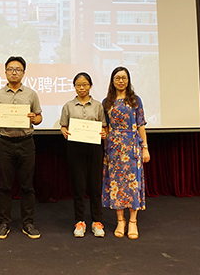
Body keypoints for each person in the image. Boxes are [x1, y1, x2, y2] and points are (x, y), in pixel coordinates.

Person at [0, 56, 42, 239]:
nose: (14, 72)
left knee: (27, 186)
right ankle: (4, 223)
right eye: (10, 69)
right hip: (5, 143)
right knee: (4, 186)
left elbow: (39, 118)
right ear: (5, 72)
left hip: (26, 142)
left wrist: (34, 118)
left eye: (18, 69)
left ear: (23, 73)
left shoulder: (31, 94)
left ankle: (28, 223)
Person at [101, 66, 150, 240]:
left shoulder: (135, 100)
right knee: (117, 184)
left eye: (124, 78)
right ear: (112, 81)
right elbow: (105, 127)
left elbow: (141, 125)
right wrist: (105, 145)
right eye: (117, 78)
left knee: (133, 184)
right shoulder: (106, 102)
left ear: (128, 80)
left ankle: (133, 221)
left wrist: (145, 148)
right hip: (114, 148)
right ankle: (120, 221)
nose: (121, 81)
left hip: (132, 147)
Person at [59, 72, 107, 238]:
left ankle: (97, 221)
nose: (82, 88)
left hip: (94, 148)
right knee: (78, 186)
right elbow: (63, 126)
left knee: (95, 186)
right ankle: (79, 221)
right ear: (74, 87)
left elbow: (104, 126)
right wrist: (64, 131)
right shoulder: (68, 106)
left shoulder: (98, 106)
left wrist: (104, 133)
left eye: (85, 84)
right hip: (75, 148)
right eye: (78, 85)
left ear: (90, 86)